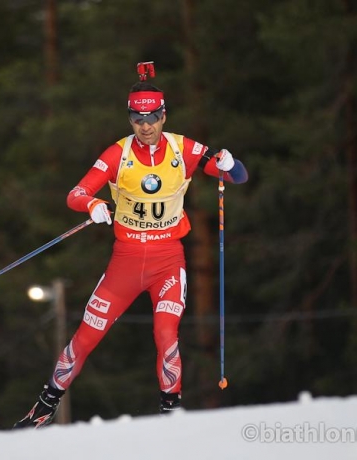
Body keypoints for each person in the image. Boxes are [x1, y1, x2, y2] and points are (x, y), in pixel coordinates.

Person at [13, 80, 248, 429]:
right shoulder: (117, 154)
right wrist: (92, 204)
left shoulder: (183, 149)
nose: (146, 126)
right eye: (138, 119)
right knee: (86, 336)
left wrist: (229, 163)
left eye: (152, 117)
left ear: (164, 115)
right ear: (130, 119)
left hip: (168, 260)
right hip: (125, 261)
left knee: (166, 334)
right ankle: (44, 407)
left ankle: (171, 415)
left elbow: (238, 176)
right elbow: (75, 194)